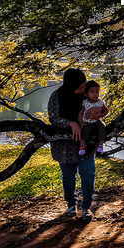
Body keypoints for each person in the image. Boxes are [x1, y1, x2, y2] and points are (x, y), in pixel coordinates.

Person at [48, 68, 96, 218]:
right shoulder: (57, 96)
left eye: (84, 85)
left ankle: (86, 207)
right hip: (65, 146)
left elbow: (98, 111)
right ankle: (71, 205)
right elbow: (53, 117)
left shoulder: (87, 95)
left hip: (86, 144)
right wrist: (71, 123)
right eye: (79, 87)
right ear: (71, 85)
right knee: (68, 176)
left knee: (88, 175)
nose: (83, 89)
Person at [78, 80, 109, 157]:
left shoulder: (100, 102)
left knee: (102, 128)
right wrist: (80, 122)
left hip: (97, 121)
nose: (95, 94)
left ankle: (100, 145)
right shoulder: (85, 102)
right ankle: (82, 147)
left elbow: (106, 110)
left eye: (97, 92)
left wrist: (100, 115)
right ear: (86, 93)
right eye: (92, 92)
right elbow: (81, 113)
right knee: (85, 132)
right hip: (87, 122)